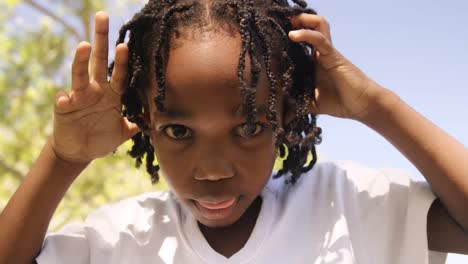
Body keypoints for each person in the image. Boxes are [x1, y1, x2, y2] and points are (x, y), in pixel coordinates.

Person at [0, 0, 467, 263]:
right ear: (145, 123)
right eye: (180, 131)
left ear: (286, 113)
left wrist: (377, 107)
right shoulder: (120, 239)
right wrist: (63, 161)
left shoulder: (347, 204)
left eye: (247, 125)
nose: (214, 170)